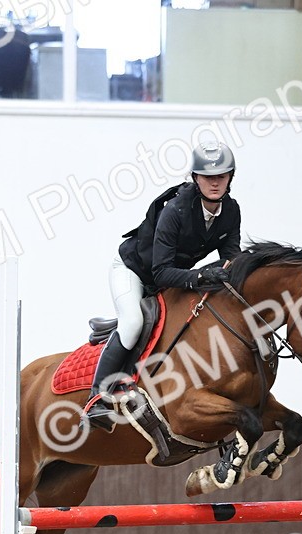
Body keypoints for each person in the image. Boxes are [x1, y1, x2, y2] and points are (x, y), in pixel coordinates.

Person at [84, 140, 242, 430]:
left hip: (171, 277)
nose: (215, 183)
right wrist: (201, 276)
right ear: (196, 178)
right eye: (208, 177)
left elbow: (232, 260)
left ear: (231, 177)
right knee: (133, 323)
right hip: (134, 272)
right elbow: (159, 273)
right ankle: (97, 399)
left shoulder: (230, 211)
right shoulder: (176, 211)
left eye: (221, 176)